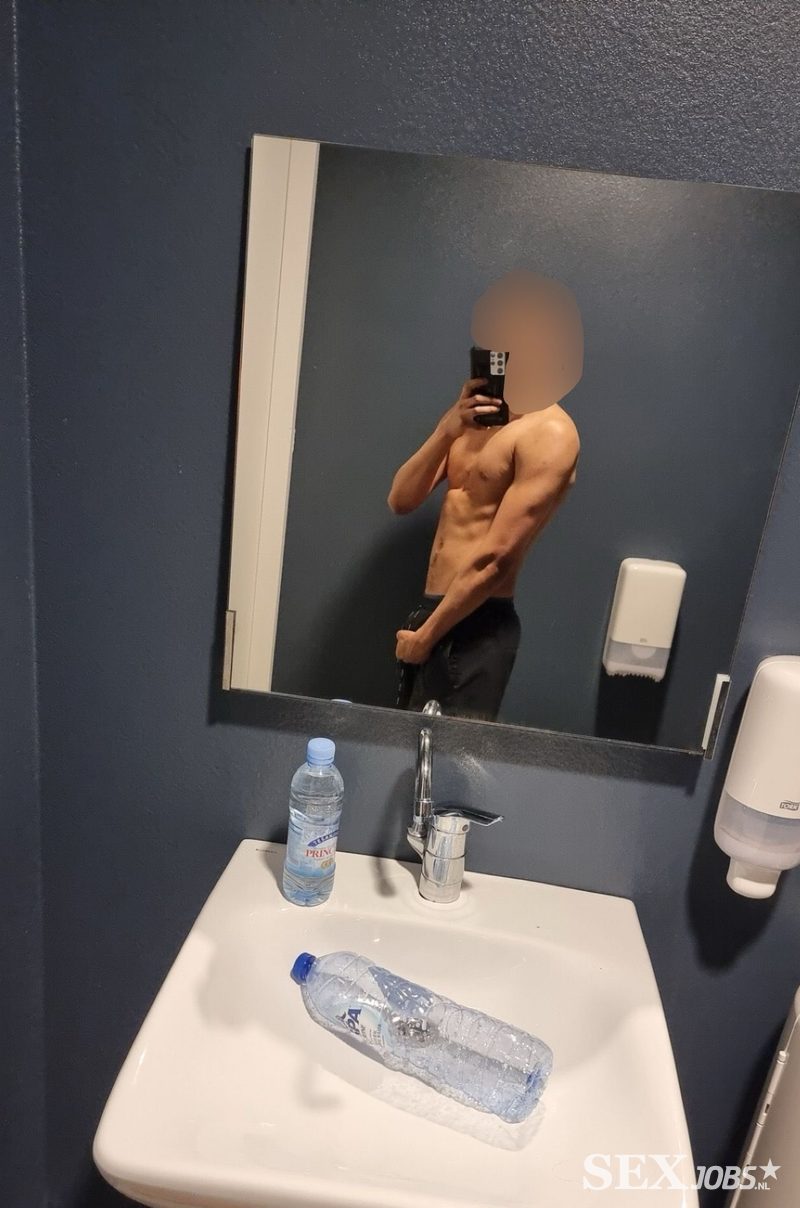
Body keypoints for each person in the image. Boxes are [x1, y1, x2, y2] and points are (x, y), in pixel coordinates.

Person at [388, 272, 583, 722]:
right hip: (431, 612)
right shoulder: (473, 421)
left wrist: (427, 637)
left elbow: (497, 557)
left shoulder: (550, 432)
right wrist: (447, 428)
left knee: (450, 756)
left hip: (477, 620)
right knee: (406, 747)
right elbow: (401, 499)